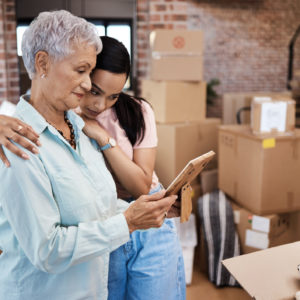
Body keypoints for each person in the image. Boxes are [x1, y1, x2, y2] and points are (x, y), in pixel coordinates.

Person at [0, 10, 177, 300]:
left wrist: (149, 209)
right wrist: (129, 221)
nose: (86, 85)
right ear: (42, 63)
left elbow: (96, 208)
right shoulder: (19, 141)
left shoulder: (80, 128)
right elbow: (48, 250)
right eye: (81, 71)